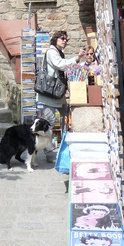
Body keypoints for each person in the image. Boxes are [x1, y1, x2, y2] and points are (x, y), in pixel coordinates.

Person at [37, 30, 85, 162]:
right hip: (49, 94)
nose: (64, 41)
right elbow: (60, 65)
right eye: (62, 38)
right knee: (49, 124)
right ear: (55, 39)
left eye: (66, 39)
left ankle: (67, 143)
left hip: (57, 94)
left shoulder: (59, 52)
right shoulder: (52, 52)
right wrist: (77, 58)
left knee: (67, 116)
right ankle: (50, 154)